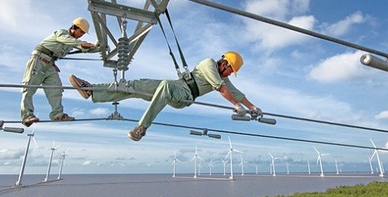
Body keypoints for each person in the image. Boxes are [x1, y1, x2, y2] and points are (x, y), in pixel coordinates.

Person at [68, 51, 262, 141]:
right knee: (134, 86)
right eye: (231, 71)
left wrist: (252, 107)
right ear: (225, 64)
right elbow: (223, 90)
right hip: (178, 86)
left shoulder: (223, 78)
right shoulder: (209, 64)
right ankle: (92, 90)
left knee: (165, 85)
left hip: (184, 95)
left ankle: (141, 127)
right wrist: (236, 105)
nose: (230, 75)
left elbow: (236, 93)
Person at [21, 17, 98, 127]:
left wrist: (98, 48)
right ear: (74, 27)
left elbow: (84, 48)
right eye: (81, 31)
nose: (81, 34)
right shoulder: (62, 33)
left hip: (50, 64)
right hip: (38, 60)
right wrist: (87, 44)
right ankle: (27, 116)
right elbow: (76, 43)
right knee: (29, 87)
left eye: (83, 33)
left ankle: (57, 115)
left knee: (56, 89)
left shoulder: (73, 42)